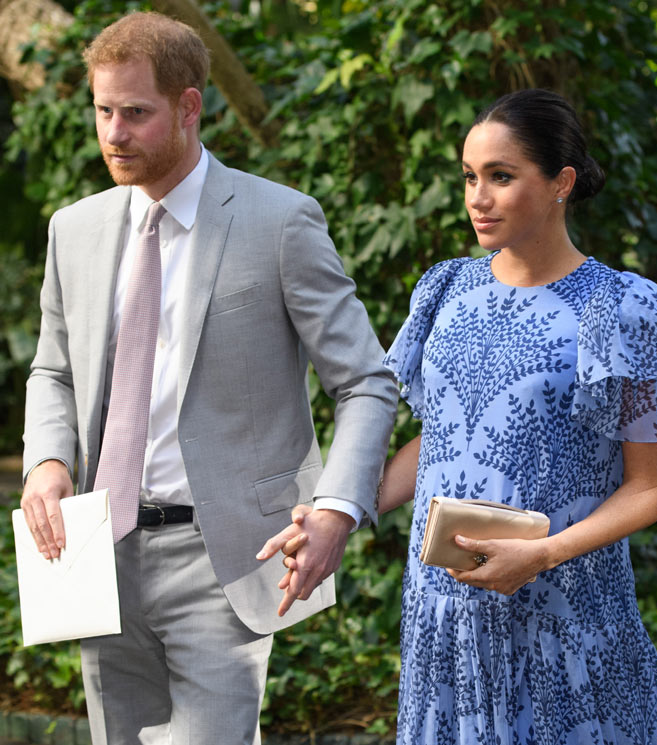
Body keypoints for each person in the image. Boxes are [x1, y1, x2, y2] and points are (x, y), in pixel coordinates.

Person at [263, 88, 657, 744]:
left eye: (500, 176)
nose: (477, 196)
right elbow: (438, 441)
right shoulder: (446, 290)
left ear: (560, 183)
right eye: (469, 176)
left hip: (564, 617)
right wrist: (341, 511)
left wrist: (542, 553)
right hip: (445, 621)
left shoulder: (625, 309)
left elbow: (647, 488)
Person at [20, 11, 397, 745]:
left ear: (189, 107)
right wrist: (48, 460)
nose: (113, 133)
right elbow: (53, 368)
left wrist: (335, 508)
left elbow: (366, 382)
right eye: (103, 110)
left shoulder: (279, 221)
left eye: (135, 113)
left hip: (223, 559)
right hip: (100, 554)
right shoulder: (76, 227)